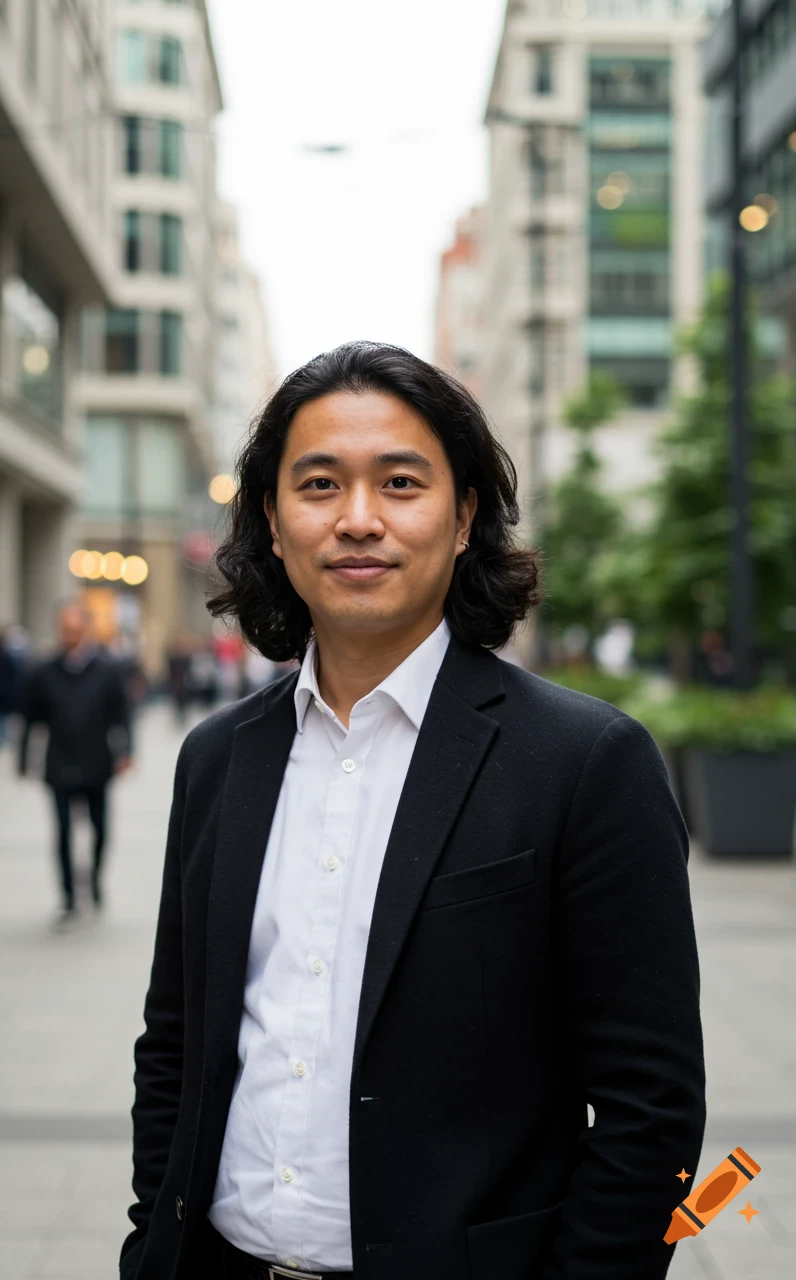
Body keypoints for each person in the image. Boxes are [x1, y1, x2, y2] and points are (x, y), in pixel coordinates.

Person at [122, 343, 705, 1280]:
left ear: (465, 514)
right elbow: (176, 1046)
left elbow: (652, 1113)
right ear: (272, 521)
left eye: (400, 483)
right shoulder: (218, 760)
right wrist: (150, 1241)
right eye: (318, 485)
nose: (359, 520)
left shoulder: (586, 763)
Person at [19, 604, 132, 929]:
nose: (70, 635)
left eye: (75, 629)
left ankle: (94, 880)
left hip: (97, 760)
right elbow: (30, 718)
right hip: (59, 761)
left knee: (99, 828)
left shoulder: (107, 670)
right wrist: (24, 758)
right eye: (65, 629)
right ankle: (68, 896)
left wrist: (126, 751)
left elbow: (121, 714)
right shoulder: (44, 671)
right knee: (64, 830)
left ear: (86, 630)